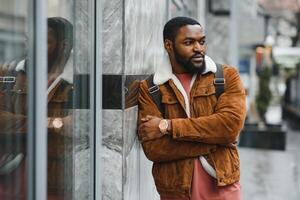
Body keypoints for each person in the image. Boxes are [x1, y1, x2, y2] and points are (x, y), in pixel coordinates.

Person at [138, 16, 246, 199]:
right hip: (176, 192)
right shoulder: (151, 88)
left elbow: (230, 127)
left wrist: (167, 126)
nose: (199, 48)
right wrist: (213, 142)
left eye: (202, 42)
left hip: (223, 188)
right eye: (189, 42)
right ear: (169, 46)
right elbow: (154, 148)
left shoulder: (226, 76)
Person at [0, 17, 74, 199]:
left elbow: (79, 129)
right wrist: (51, 123)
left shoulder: (77, 83)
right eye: (29, 40)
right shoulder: (9, 74)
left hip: (55, 184)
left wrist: (19, 124)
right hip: (9, 180)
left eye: (42, 42)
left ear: (63, 46)